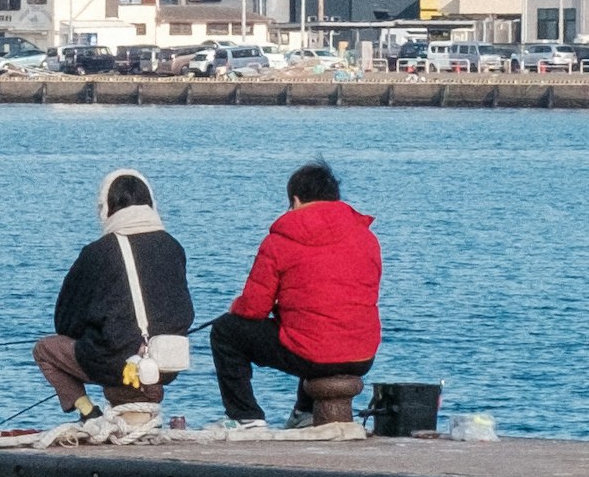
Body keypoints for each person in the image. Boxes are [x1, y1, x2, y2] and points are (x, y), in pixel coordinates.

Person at [211, 159, 382, 425]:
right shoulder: (367, 238)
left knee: (225, 332)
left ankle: (245, 416)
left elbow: (255, 309)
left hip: (315, 354)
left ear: (296, 200)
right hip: (363, 354)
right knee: (313, 325)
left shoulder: (280, 240)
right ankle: (305, 413)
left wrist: (237, 306)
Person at [33, 165, 195, 418]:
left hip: (114, 364)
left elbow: (65, 321)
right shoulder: (173, 247)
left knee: (44, 350)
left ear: (106, 209)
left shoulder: (97, 252)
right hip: (165, 364)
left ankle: (88, 412)